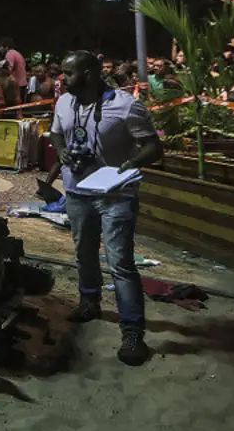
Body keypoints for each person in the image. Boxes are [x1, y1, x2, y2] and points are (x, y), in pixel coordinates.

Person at [50, 50, 163, 367]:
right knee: (83, 252)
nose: (62, 79)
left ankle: (132, 333)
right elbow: (56, 133)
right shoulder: (64, 102)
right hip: (77, 192)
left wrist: (130, 164)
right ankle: (90, 303)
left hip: (116, 195)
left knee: (120, 263)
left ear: (88, 75)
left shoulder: (126, 105)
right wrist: (61, 151)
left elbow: (154, 147)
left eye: (68, 73)